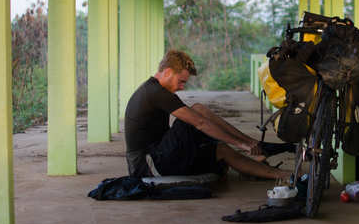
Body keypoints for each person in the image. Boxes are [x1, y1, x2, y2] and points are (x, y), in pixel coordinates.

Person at [124, 50, 292, 181]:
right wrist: (239, 144)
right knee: (196, 117)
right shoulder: (154, 92)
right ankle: (249, 146)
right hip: (148, 164)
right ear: (167, 72)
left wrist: (242, 143)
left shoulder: (155, 89)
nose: (182, 87)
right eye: (181, 81)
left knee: (221, 149)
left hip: (158, 155)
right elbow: (200, 123)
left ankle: (277, 170)